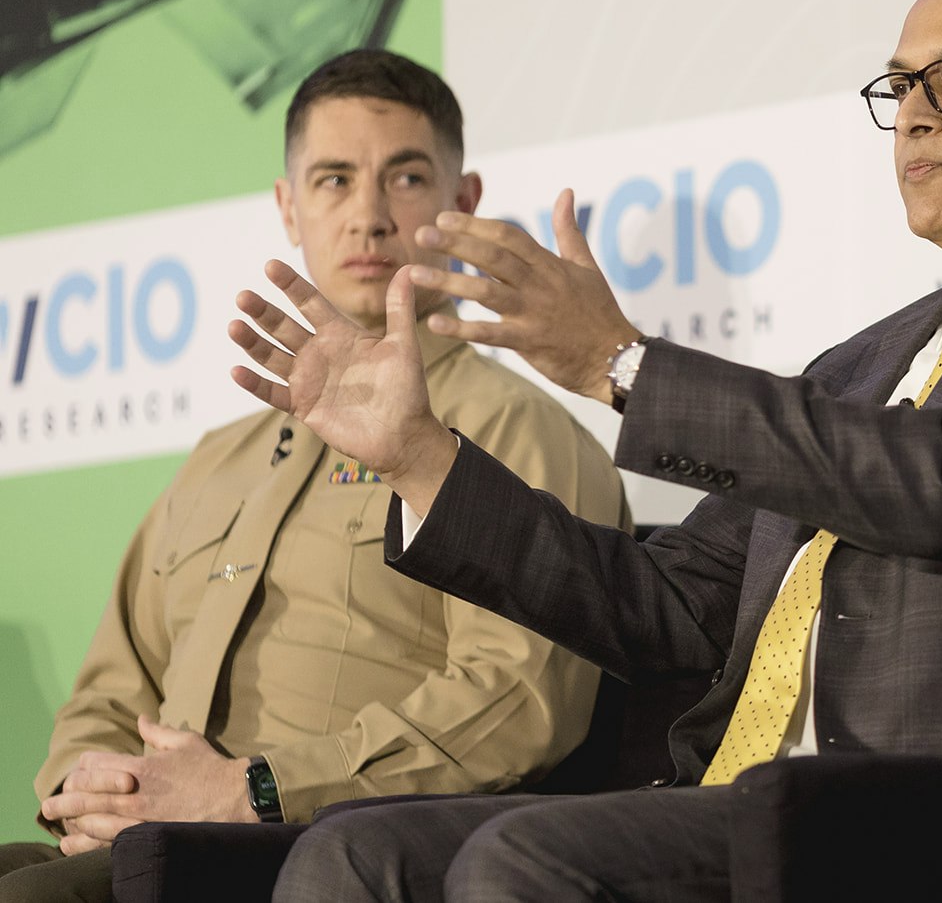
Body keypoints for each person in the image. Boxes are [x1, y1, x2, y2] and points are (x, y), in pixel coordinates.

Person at [233, 0, 942, 901]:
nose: (913, 116)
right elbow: (673, 606)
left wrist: (624, 366)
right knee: (354, 854)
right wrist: (421, 458)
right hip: (746, 796)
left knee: (527, 862)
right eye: (899, 86)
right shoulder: (866, 361)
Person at [0, 50, 630, 903]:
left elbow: (520, 697)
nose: (368, 217)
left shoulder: (516, 430)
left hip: (320, 853)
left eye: (406, 178)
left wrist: (259, 788)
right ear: (288, 207)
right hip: (137, 847)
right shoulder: (216, 459)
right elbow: (111, 688)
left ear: (465, 200)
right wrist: (92, 790)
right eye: (334, 180)